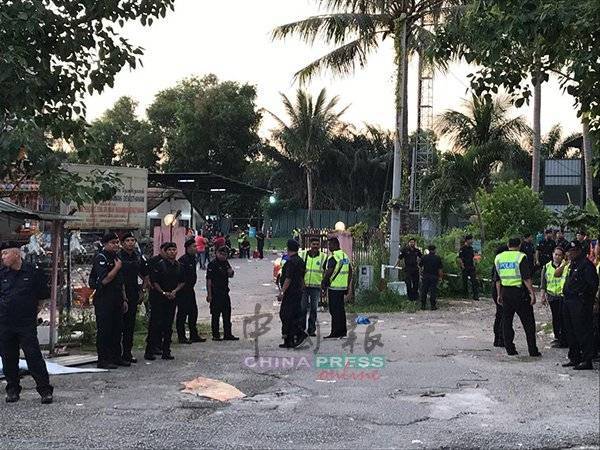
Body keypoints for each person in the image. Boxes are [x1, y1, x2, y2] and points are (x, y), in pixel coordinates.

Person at [0, 241, 53, 404]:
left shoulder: (33, 272)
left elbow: (42, 297)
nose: (3, 257)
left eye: (6, 253)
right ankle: (12, 390)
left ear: (16, 254)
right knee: (8, 357)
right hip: (5, 322)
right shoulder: (2, 274)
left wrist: (32, 314)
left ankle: (45, 390)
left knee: (33, 356)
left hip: (25, 323)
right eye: (2, 254)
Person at [556, 241, 599, 370]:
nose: (569, 254)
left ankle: (586, 360)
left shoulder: (586, 265)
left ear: (579, 251)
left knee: (583, 331)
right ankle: (574, 357)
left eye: (572, 251)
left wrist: (589, 302)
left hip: (580, 302)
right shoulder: (572, 264)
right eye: (568, 251)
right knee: (570, 331)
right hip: (568, 301)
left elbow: (592, 285)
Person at [495, 237, 541, 357]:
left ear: (508, 244)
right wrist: (532, 293)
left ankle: (510, 349)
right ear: (519, 245)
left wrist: (499, 294)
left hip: (505, 292)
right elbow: (526, 278)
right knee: (528, 323)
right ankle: (532, 350)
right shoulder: (521, 257)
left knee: (507, 321)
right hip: (519, 293)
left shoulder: (499, 257)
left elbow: (497, 279)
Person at [89, 232, 128, 369]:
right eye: (112, 243)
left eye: (117, 242)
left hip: (117, 298)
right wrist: (116, 268)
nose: (116, 245)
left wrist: (124, 298)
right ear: (105, 244)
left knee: (117, 330)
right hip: (104, 299)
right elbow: (105, 280)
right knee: (105, 330)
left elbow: (121, 281)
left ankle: (116, 357)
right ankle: (103, 359)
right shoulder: (101, 257)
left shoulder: (117, 257)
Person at [145, 242, 184, 361]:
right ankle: (149, 351)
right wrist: (163, 292)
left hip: (172, 298)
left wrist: (174, 291)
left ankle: (166, 350)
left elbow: (182, 281)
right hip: (159, 298)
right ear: (165, 252)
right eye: (169, 250)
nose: (172, 252)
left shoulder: (179, 266)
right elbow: (154, 282)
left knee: (168, 325)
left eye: (174, 249)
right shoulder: (159, 265)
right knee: (155, 324)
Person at [118, 232, 148, 364]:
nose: (130, 243)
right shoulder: (118, 256)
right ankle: (116, 354)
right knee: (118, 325)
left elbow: (145, 274)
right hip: (119, 294)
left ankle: (127, 353)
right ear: (122, 243)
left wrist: (143, 290)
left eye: (132, 240)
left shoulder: (138, 256)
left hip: (133, 293)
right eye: (127, 240)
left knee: (130, 325)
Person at [278, 239, 307, 348]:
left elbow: (288, 279)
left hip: (290, 292)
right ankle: (289, 340)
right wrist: (302, 288)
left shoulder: (291, 262)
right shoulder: (300, 261)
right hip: (297, 292)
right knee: (293, 315)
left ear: (288, 248)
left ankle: (298, 334)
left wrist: (282, 292)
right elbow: (302, 277)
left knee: (286, 315)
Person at [322, 237, 352, 338]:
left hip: (334, 287)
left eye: (330, 245)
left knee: (334, 311)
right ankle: (342, 331)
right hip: (342, 287)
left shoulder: (333, 257)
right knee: (341, 310)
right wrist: (347, 285)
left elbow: (329, 271)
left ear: (335, 245)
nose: (329, 247)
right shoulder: (344, 256)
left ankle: (335, 332)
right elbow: (350, 271)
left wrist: (324, 283)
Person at [206, 246, 239, 341]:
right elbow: (209, 280)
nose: (223, 256)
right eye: (221, 254)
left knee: (227, 314)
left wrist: (231, 272)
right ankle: (215, 335)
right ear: (217, 253)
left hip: (224, 292)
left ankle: (227, 334)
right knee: (215, 315)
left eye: (225, 255)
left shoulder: (226, 262)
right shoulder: (212, 264)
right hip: (215, 292)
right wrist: (209, 294)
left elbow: (230, 274)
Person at [176, 239, 205, 344]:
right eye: (194, 246)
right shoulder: (183, 260)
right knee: (182, 313)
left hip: (190, 290)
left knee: (193, 312)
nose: (196, 248)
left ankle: (194, 334)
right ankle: (182, 336)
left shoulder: (193, 258)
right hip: (183, 290)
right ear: (188, 248)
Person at [540, 246, 568, 348]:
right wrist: (543, 296)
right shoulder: (547, 266)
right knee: (555, 318)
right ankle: (557, 337)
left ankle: (564, 339)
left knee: (563, 318)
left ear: (563, 256)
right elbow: (543, 283)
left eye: (559, 255)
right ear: (552, 254)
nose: (557, 257)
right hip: (552, 296)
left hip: (562, 296)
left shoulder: (566, 266)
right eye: (555, 254)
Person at [300, 238, 326, 336]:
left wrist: (324, 287)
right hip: (304, 286)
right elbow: (299, 270)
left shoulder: (323, 257)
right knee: (303, 308)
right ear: (309, 244)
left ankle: (311, 330)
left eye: (317, 244)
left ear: (319, 245)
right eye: (313, 244)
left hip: (316, 287)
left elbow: (326, 272)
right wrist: (301, 282)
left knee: (314, 309)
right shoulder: (303, 255)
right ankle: (301, 329)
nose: (315, 246)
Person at [491, 244, 508, 347]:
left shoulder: (497, 262)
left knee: (499, 314)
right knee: (503, 315)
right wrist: (499, 294)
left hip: (496, 290)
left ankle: (497, 338)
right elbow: (498, 280)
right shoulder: (502, 263)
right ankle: (501, 338)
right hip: (500, 290)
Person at [419, 245, 443, 311]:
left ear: (429, 250)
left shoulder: (424, 257)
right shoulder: (437, 258)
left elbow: (420, 266)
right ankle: (433, 306)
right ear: (434, 250)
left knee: (424, 291)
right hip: (434, 276)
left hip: (425, 276)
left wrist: (421, 274)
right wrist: (440, 277)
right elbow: (440, 269)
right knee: (433, 291)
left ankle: (423, 306)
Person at [458, 235, 479, 301]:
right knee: (464, 281)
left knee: (474, 281)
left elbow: (473, 257)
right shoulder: (462, 248)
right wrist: (462, 265)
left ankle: (475, 295)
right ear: (467, 240)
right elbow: (460, 258)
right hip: (465, 267)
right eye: (471, 240)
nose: (472, 241)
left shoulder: (471, 248)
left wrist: (475, 263)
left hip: (471, 267)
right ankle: (465, 294)